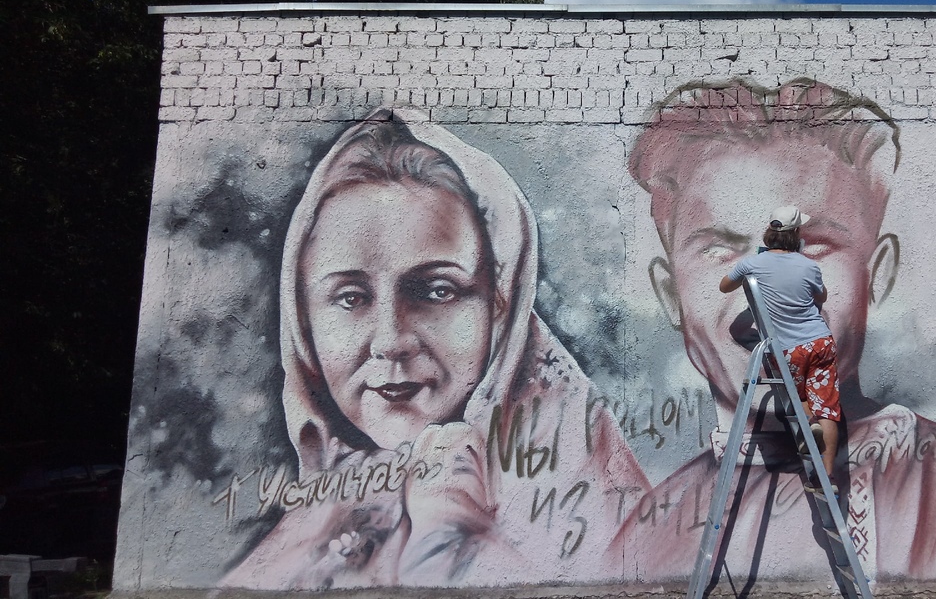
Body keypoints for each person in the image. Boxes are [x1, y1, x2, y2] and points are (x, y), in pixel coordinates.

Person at [610, 78, 936, 584]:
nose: (757, 298)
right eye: (716, 245)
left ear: (877, 275)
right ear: (670, 292)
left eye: (818, 243)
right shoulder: (649, 534)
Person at [223, 110, 647, 589]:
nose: (390, 341)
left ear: (500, 304)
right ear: (303, 320)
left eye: (436, 291)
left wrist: (450, 524)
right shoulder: (301, 541)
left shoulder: (595, 511)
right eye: (350, 298)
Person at [718, 206, 840, 480]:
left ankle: (810, 431)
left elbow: (724, 286)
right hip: (820, 343)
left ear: (769, 233)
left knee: (800, 402)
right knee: (827, 409)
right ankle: (827, 476)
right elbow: (821, 298)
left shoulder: (752, 264)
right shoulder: (810, 266)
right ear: (796, 234)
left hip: (788, 349)